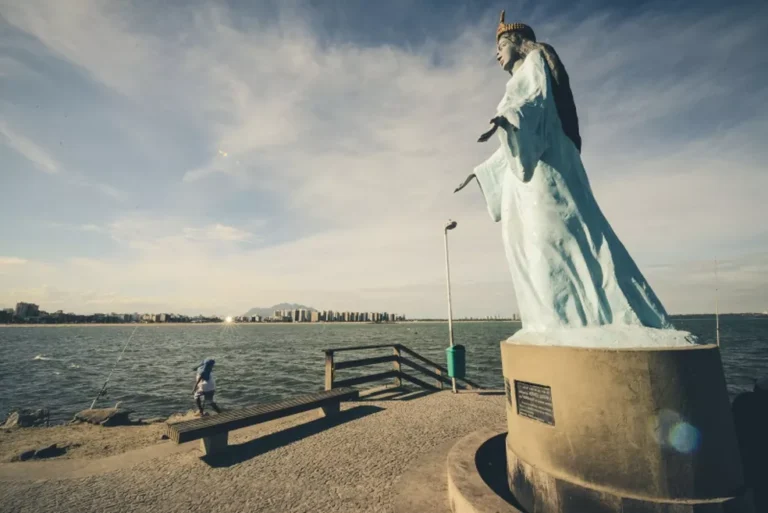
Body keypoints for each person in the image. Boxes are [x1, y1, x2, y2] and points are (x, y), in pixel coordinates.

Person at [454, 11, 671, 333]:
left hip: (544, 174)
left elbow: (533, 104)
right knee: (536, 245)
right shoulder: (521, 80)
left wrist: (508, 117)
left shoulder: (535, 63)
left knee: (553, 239)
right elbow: (523, 128)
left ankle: (576, 319)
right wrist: (481, 171)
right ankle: (554, 319)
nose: (496, 54)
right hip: (527, 177)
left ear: (518, 42)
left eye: (501, 45)